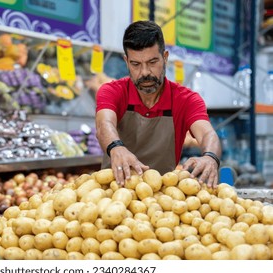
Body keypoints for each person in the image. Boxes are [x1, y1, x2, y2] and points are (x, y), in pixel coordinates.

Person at [95, 20, 222, 188]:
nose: (145, 72)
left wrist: (210, 157)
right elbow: (104, 124)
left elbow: (208, 134)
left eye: (152, 62)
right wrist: (116, 147)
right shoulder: (112, 91)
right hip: (116, 193)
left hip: (164, 199)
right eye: (136, 64)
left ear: (165, 57)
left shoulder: (186, 99)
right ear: (126, 62)